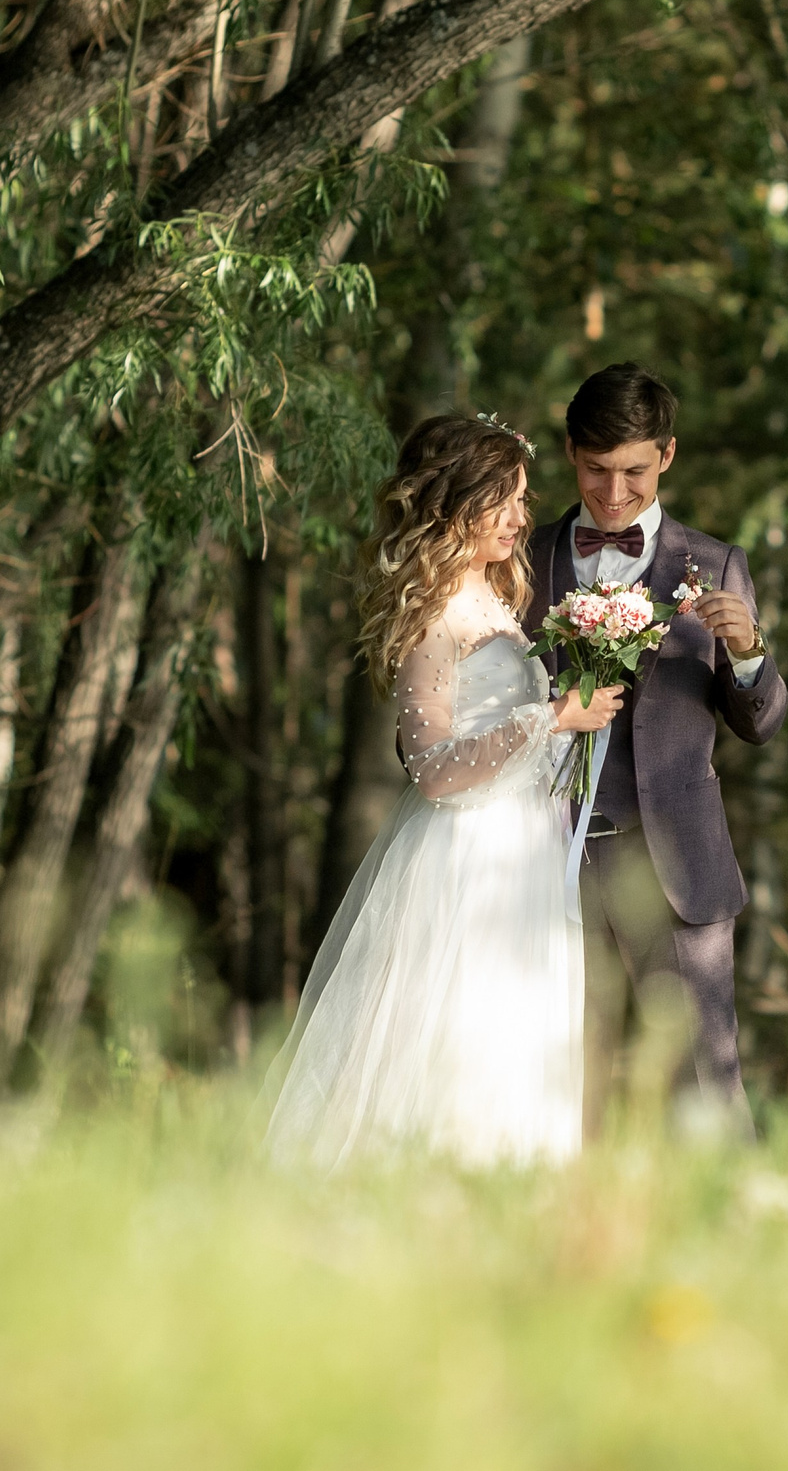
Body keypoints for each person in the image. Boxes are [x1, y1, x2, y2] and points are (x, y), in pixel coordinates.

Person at [265, 415, 623, 1167]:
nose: (521, 517)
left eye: (522, 499)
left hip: (525, 848)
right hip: (466, 851)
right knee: (461, 1029)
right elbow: (430, 768)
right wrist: (554, 716)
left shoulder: (495, 599)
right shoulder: (433, 616)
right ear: (458, 505)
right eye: (506, 500)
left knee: (516, 1033)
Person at [525, 362, 788, 1136]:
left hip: (677, 866)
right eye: (596, 469)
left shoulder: (717, 562)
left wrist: (749, 652)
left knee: (703, 1085)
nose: (613, 492)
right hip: (541, 864)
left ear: (667, 455)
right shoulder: (522, 559)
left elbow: (761, 724)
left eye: (634, 471)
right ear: (570, 451)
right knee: (551, 1086)